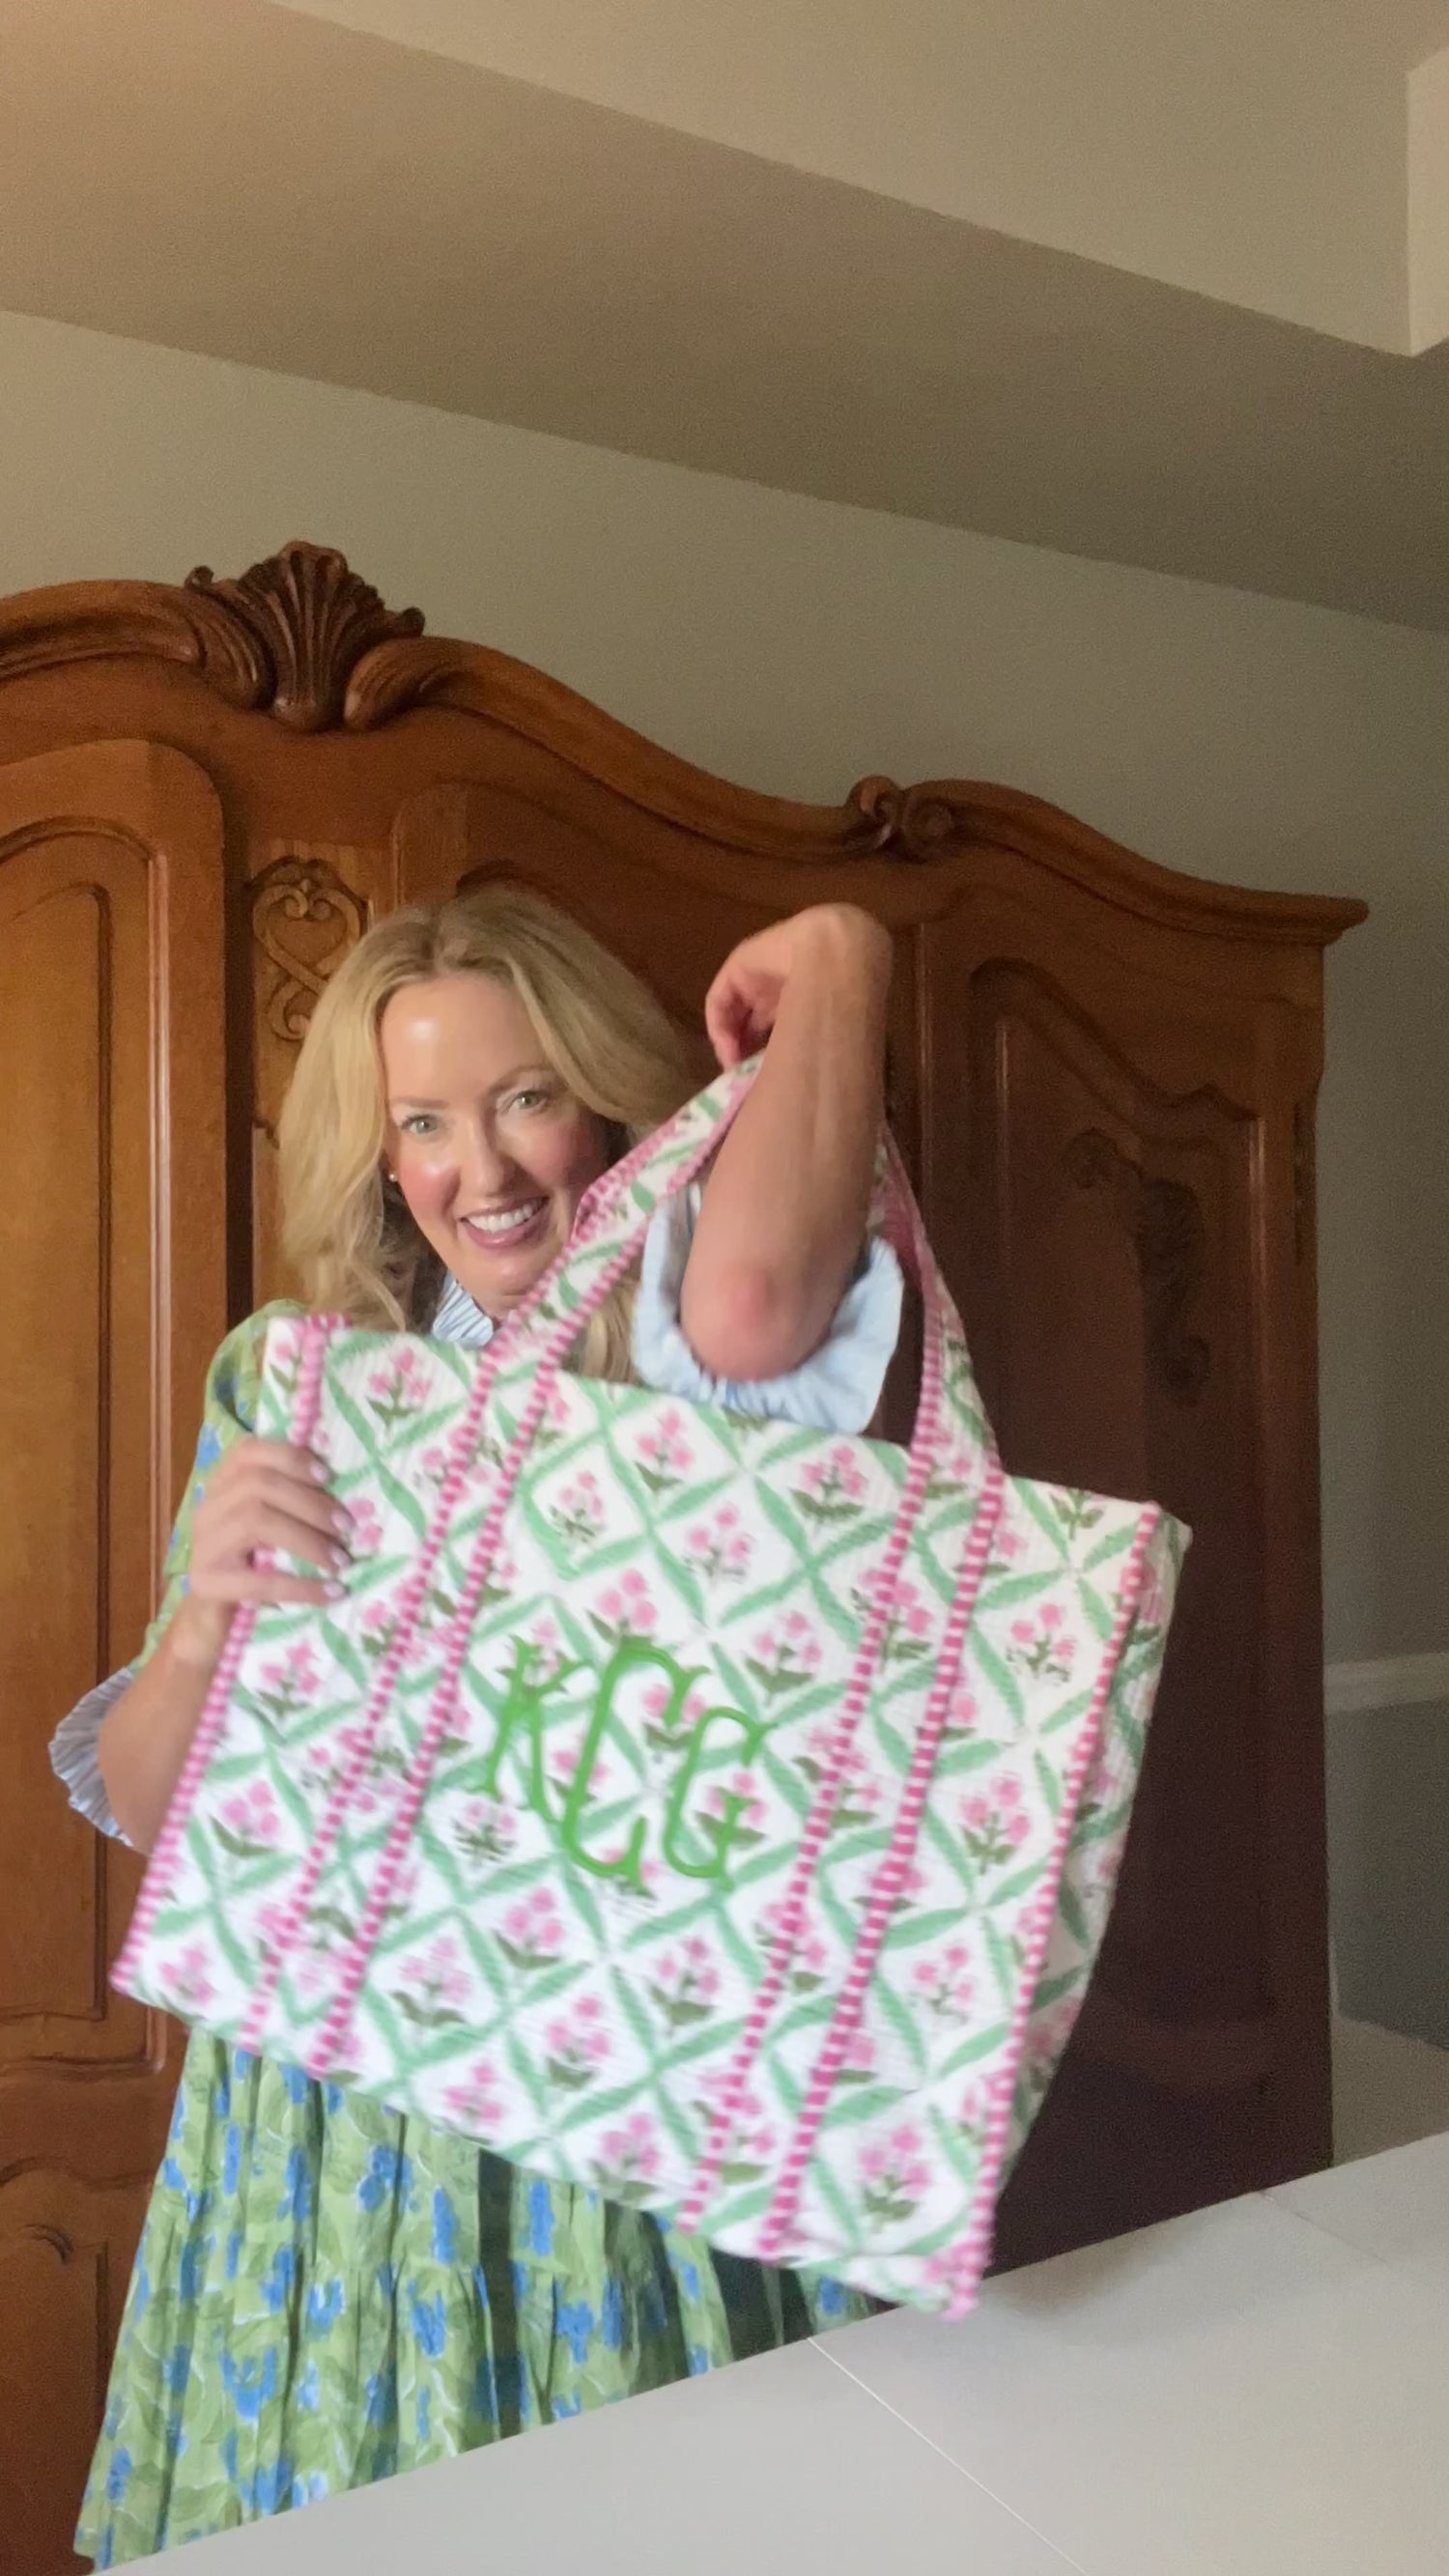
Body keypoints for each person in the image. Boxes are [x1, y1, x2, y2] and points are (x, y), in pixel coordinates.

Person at [52, 883, 902, 2561]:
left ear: (607, 1101)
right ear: (378, 1157)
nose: (483, 1169)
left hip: (620, 2104)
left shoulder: (691, 1368)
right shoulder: (300, 1379)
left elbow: (751, 1295)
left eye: (526, 1097)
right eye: (424, 1122)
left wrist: (845, 958)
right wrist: (206, 1616)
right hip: (322, 2140)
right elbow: (154, 1809)